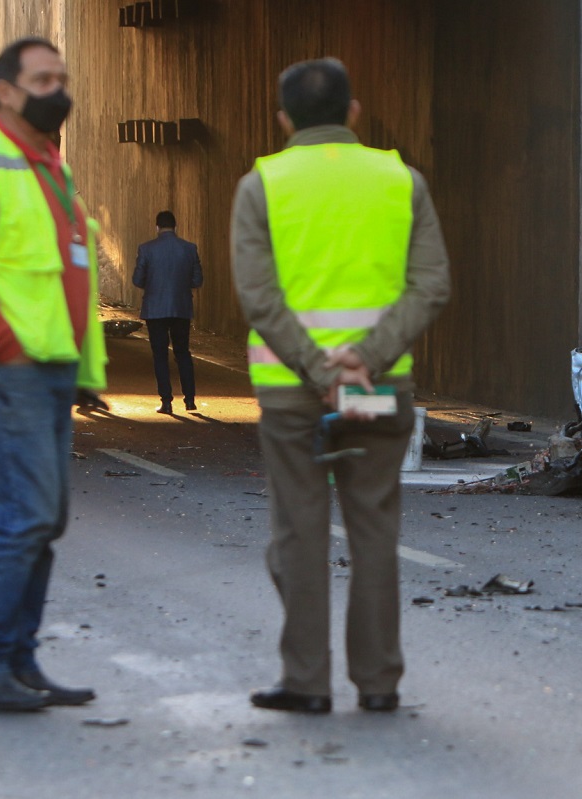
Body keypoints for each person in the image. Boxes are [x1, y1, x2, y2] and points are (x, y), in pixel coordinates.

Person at [231, 57, 450, 714]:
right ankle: (379, 682)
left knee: (299, 532)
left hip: (293, 395)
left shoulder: (260, 186)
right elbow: (432, 284)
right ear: (354, 112)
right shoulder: (401, 180)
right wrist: (367, 359)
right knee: (375, 532)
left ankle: (307, 681)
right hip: (380, 391)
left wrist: (322, 370)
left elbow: (259, 296)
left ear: (283, 118)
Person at [0, 37, 107, 712]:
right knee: (23, 514)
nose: (57, 87)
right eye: (43, 78)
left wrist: (79, 367)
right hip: (8, 366)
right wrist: (3, 347)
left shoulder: (47, 164)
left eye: (62, 76)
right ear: (4, 90)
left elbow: (61, 273)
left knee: (45, 516)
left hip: (48, 367)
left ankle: (18, 661)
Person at [132, 209, 203, 413]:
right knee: (183, 352)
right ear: (176, 227)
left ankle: (166, 401)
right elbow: (197, 280)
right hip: (181, 308)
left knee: (160, 355)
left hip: (155, 309)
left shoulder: (146, 249)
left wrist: (153, 284)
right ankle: (189, 400)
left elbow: (137, 280)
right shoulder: (189, 248)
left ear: (157, 228)